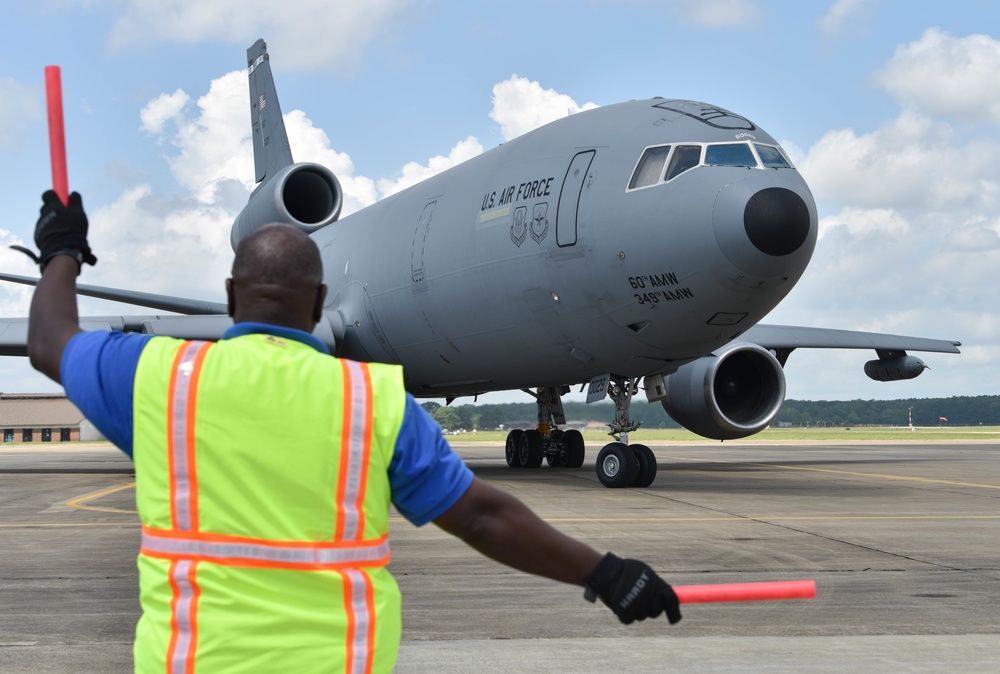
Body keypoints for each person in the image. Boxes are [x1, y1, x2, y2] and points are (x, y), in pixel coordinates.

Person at [23, 190, 681, 673]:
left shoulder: (160, 377)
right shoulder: (375, 401)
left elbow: (51, 344)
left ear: (229, 298)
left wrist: (62, 255)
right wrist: (606, 573)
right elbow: (485, 518)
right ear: (316, 304)